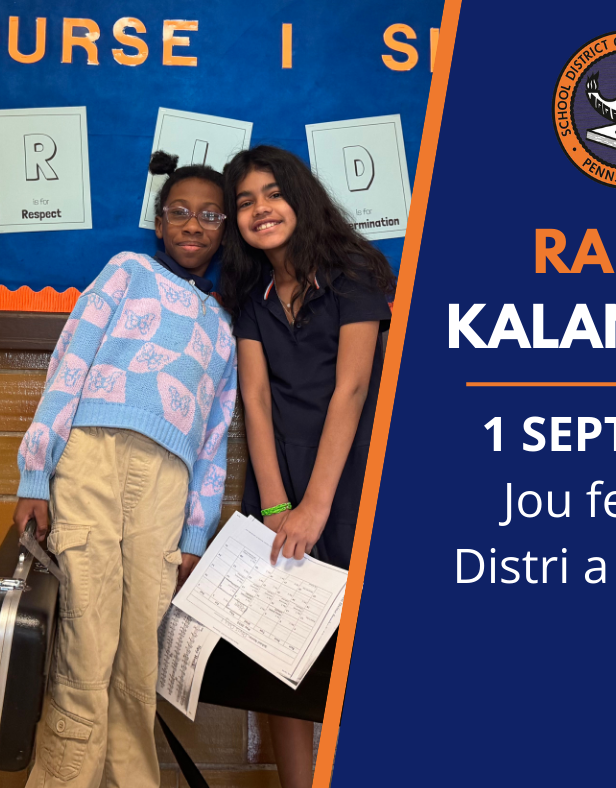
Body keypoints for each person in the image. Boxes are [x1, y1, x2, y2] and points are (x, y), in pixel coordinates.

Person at [13, 152, 237, 788]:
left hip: (167, 486)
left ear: (224, 230)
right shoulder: (126, 271)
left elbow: (215, 441)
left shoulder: (223, 326)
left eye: (210, 215)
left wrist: (195, 538)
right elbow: (69, 366)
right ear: (159, 222)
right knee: (86, 642)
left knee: (140, 655)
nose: (194, 225)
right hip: (92, 458)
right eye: (180, 212)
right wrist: (36, 473)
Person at [215, 145, 394, 788]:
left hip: (350, 481)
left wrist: (316, 506)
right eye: (244, 202)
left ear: (300, 196)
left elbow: (351, 390)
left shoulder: (356, 274)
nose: (260, 209)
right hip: (274, 484)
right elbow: (255, 400)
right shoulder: (249, 293)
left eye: (272, 193)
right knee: (275, 649)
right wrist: (274, 507)